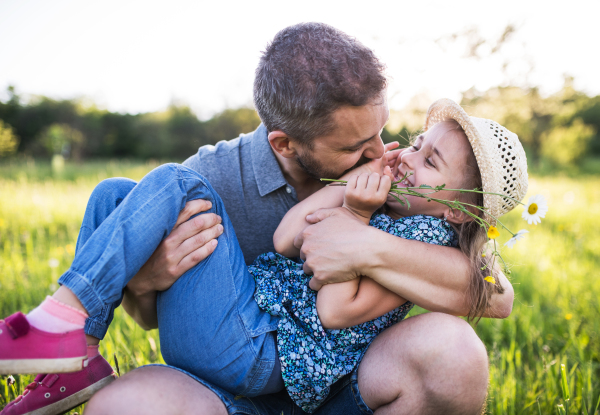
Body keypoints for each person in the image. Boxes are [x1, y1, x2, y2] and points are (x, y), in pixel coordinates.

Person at [0, 23, 513, 415]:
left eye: (382, 132)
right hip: (227, 366)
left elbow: (496, 293)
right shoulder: (217, 175)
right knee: (115, 195)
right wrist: (145, 278)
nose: (384, 151)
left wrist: (363, 241)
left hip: (318, 377)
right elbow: (276, 242)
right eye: (356, 145)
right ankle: (73, 350)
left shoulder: (401, 197)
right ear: (286, 144)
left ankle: (60, 328)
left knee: (454, 351)